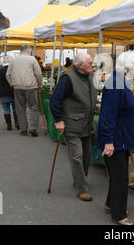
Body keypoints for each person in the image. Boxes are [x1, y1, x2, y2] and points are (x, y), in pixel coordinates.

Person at [98, 51, 134, 226]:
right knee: (121, 178)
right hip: (116, 139)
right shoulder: (116, 84)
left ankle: (110, 204)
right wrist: (108, 141)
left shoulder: (120, 82)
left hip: (119, 137)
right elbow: (108, 115)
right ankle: (119, 214)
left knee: (117, 175)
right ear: (130, 67)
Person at [50, 52, 97, 202]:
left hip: (87, 123)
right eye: (89, 63)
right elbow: (55, 100)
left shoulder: (90, 75)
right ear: (79, 65)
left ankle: (80, 179)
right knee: (77, 156)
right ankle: (82, 187)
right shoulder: (67, 78)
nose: (92, 65)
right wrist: (59, 120)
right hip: (72, 124)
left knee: (87, 156)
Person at [6, 46, 43, 137]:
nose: (31, 53)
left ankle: (23, 130)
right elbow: (38, 73)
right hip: (31, 86)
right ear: (27, 51)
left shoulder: (14, 60)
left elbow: (8, 75)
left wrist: (12, 84)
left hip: (17, 87)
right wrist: (39, 84)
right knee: (33, 107)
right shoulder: (32, 59)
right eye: (31, 52)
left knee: (20, 108)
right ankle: (33, 127)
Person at [0, 56, 19, 131]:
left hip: (3, 92)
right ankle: (17, 124)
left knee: (6, 109)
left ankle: (9, 125)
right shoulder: (15, 70)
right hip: (14, 91)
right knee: (15, 108)